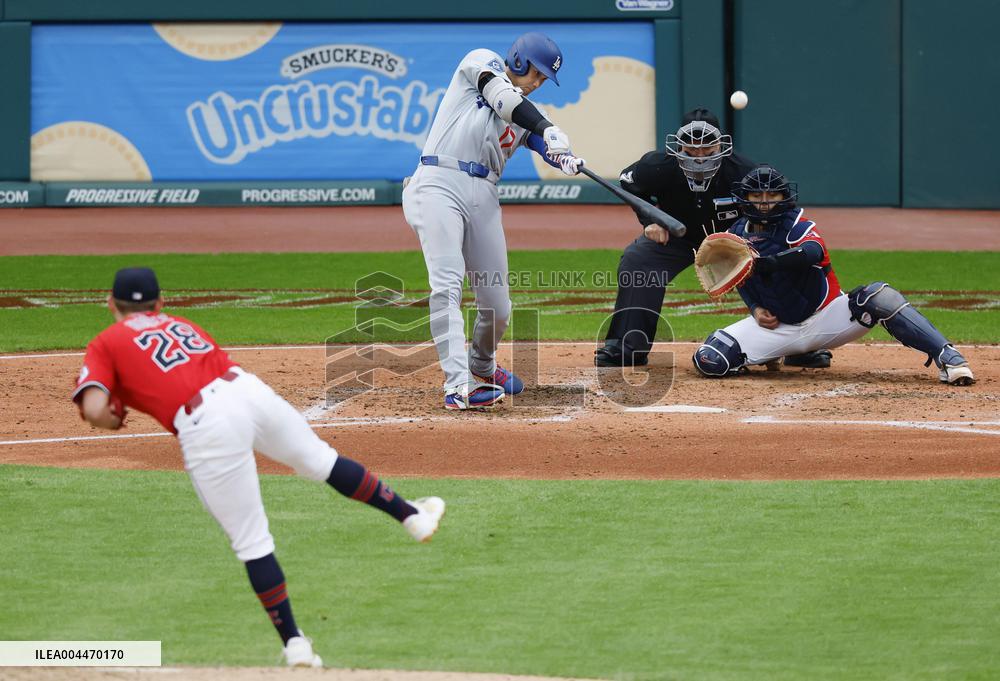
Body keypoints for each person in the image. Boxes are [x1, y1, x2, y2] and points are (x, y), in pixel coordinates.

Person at [72, 268, 446, 668]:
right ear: (160, 303)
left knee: (253, 541)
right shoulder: (181, 324)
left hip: (207, 424)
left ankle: (296, 646)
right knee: (322, 461)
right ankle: (410, 516)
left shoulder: (106, 342)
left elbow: (94, 406)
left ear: (111, 303)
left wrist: (110, 417)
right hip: (247, 390)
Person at [402, 32, 585, 410]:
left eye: (542, 80)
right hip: (439, 183)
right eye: (534, 73)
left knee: (498, 305)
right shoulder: (480, 62)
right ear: (518, 60)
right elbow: (505, 101)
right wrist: (547, 127)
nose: (536, 83)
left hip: (484, 194)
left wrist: (562, 157)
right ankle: (457, 387)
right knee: (447, 284)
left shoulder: (527, 115)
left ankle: (482, 364)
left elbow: (537, 139)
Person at [691, 165, 975, 386]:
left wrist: (769, 263)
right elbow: (739, 277)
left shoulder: (797, 225)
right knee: (709, 360)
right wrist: (754, 308)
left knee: (878, 297)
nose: (765, 202)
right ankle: (791, 352)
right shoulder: (734, 237)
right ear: (745, 198)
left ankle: (947, 356)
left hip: (827, 316)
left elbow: (813, 251)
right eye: (757, 196)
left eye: (772, 195)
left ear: (784, 197)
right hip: (778, 328)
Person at [594, 108, 832, 370]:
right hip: (676, 237)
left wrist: (757, 243)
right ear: (679, 145)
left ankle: (801, 346)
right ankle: (627, 347)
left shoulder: (743, 171)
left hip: (733, 242)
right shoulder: (657, 166)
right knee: (638, 261)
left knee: (778, 261)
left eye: (707, 148)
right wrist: (650, 220)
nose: (699, 155)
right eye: (692, 148)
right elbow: (628, 184)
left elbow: (779, 204)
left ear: (721, 143)